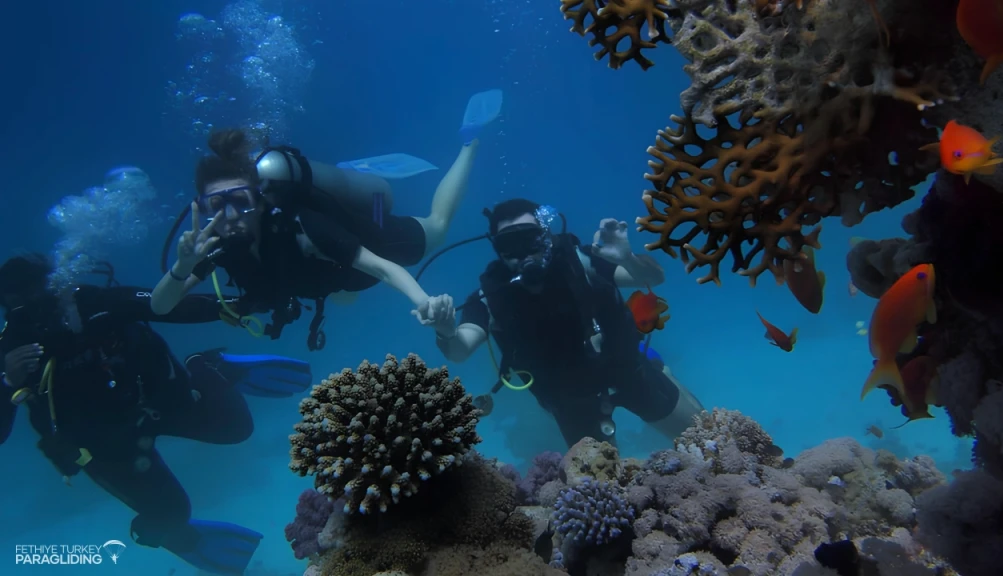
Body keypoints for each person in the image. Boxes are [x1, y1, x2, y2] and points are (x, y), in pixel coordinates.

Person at [0, 254, 313, 576]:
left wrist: (242, 305)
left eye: (38, 291)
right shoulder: (10, 349)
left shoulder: (94, 303)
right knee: (171, 516)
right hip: (105, 448)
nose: (33, 305)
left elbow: (165, 306)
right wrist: (8, 380)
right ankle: (175, 533)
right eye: (17, 300)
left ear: (57, 284)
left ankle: (205, 365)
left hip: (155, 405)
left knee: (236, 427)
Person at [150, 96, 499, 346]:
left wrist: (424, 302)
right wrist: (183, 267)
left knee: (438, 226)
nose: (228, 216)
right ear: (202, 208)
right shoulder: (213, 246)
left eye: (240, 201)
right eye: (215, 205)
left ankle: (468, 143)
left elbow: (382, 268)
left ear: (259, 198)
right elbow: (160, 306)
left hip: (370, 238)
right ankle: (349, 178)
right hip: (334, 279)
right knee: (344, 295)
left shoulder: (302, 225)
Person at [426, 199, 706, 447]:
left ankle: (657, 367)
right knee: (600, 483)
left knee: (705, 437)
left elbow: (653, 278)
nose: (523, 253)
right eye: (509, 245)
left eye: (530, 239)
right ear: (497, 249)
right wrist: (446, 331)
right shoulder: (490, 296)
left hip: (626, 368)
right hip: (568, 396)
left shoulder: (581, 261)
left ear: (546, 236)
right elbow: (460, 350)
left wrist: (628, 259)